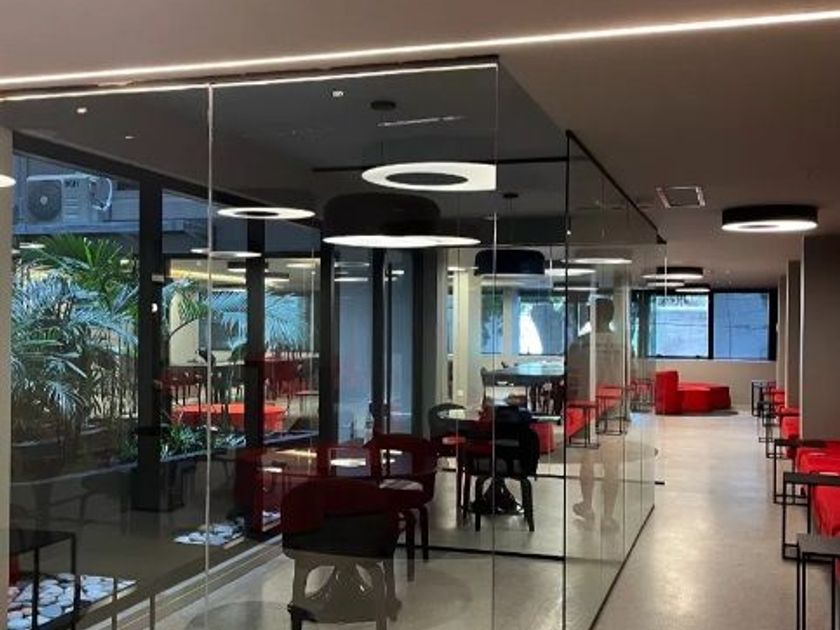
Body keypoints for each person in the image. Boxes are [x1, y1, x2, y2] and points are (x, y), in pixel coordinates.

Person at [565, 297, 625, 532]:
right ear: (611, 316)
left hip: (586, 409)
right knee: (612, 465)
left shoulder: (579, 344)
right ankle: (607, 516)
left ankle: (588, 506)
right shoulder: (622, 344)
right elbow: (629, 377)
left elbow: (571, 378)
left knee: (587, 460)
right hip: (613, 408)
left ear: (592, 316)